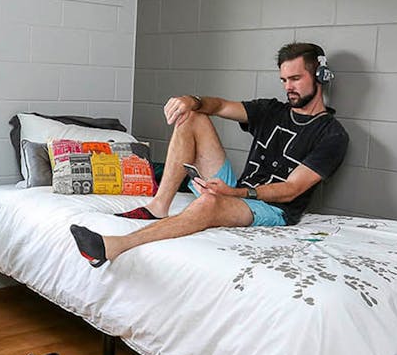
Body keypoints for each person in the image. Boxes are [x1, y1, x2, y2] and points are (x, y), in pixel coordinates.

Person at [70, 42, 349, 267]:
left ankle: (114, 246)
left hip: (274, 209)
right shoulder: (272, 110)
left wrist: (232, 194)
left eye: (296, 78)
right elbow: (218, 106)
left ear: (320, 77)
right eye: (284, 80)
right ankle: (159, 206)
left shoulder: (332, 135)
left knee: (209, 204)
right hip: (239, 190)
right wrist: (191, 100)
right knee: (193, 116)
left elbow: (291, 190)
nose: (289, 86)